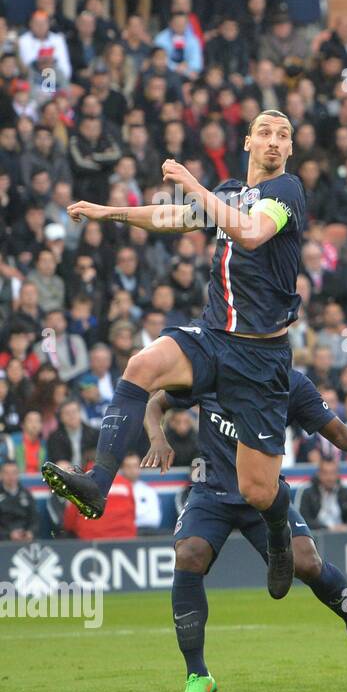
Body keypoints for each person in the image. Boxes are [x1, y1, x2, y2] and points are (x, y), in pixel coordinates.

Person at [43, 110, 307, 603]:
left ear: (290, 149)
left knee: (257, 490)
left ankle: (277, 533)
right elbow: (175, 218)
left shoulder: (287, 192)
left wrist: (191, 182)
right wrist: (110, 212)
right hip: (214, 336)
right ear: (248, 141)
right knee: (141, 366)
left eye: (283, 135)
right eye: (265, 133)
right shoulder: (229, 191)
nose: (274, 141)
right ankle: (99, 482)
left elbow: (250, 232)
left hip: (261, 357)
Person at [143, 370, 347, 692]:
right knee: (189, 554)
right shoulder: (213, 371)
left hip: (264, 493)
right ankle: (198, 675)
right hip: (211, 492)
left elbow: (336, 431)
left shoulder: (292, 384)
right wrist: (157, 438)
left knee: (307, 563)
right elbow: (155, 403)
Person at [298, 458, 347, 531]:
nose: (329, 478)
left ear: (338, 474)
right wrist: (327, 529)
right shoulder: (308, 493)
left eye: (332, 473)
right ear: (319, 474)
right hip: (317, 536)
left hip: (342, 536)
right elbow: (303, 520)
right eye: (325, 473)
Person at [0, 460, 37, 542]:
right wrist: (8, 534)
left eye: (14, 473)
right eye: (7, 473)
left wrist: (30, 532)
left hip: (25, 540)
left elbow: (34, 519)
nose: (11, 477)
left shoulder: (27, 494)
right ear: (1, 475)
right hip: (3, 542)